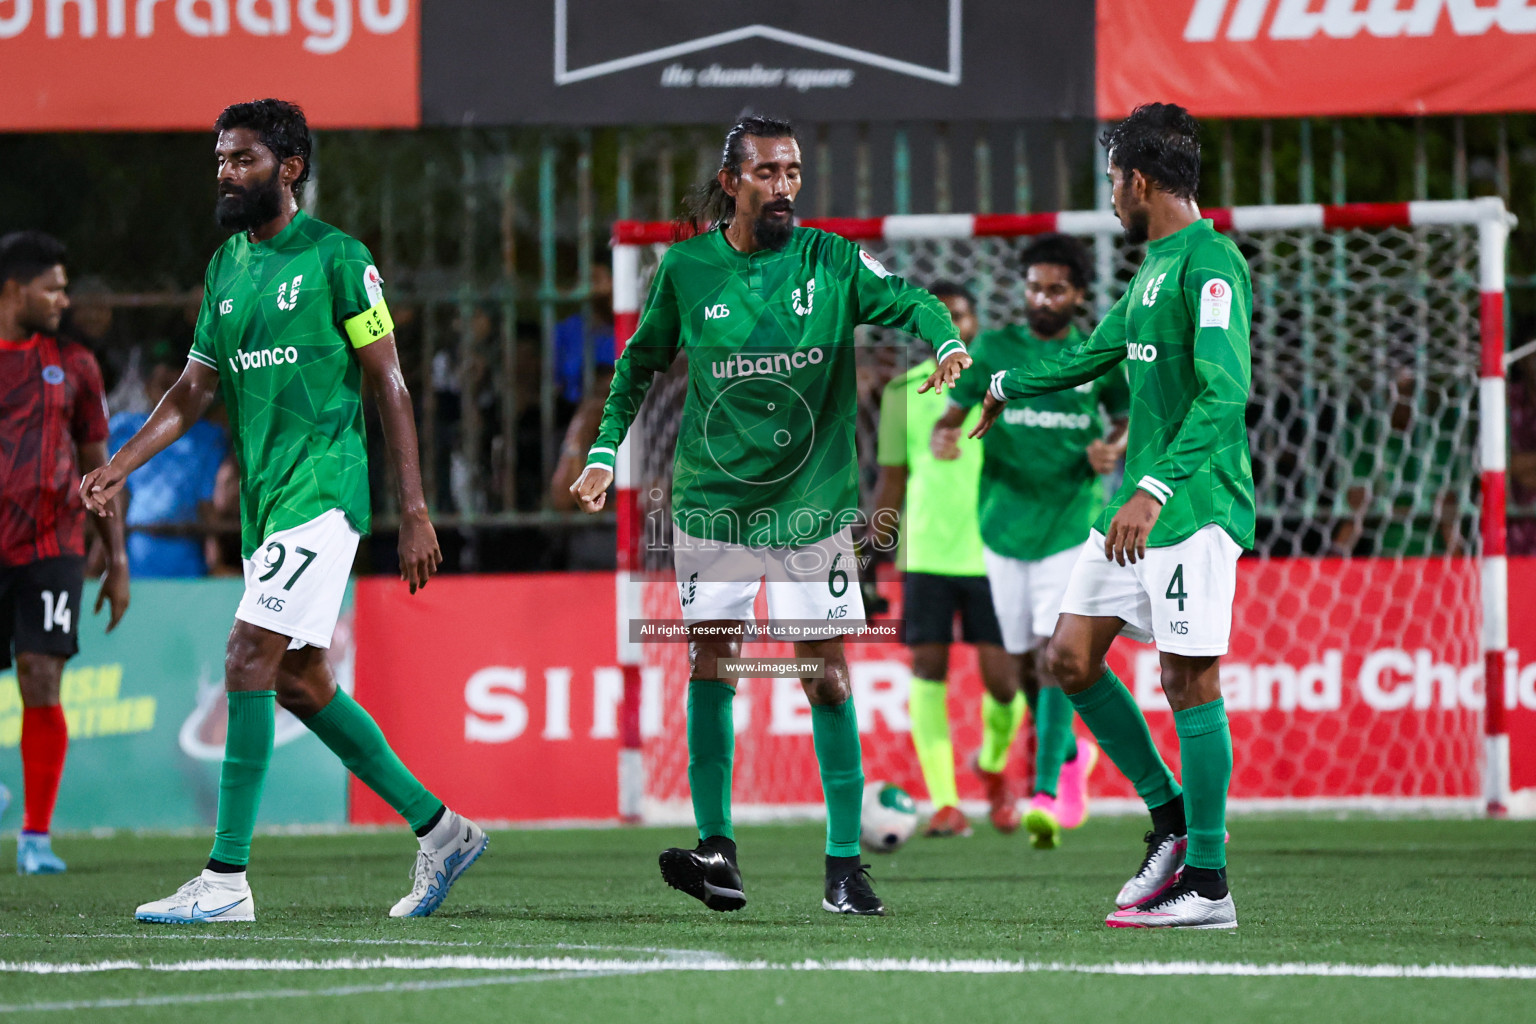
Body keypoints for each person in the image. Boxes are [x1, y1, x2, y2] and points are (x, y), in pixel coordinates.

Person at [82, 99, 485, 924]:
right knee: (300, 678)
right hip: (266, 503)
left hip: (322, 489)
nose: (226, 175)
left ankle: (226, 881)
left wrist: (413, 508)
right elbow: (194, 389)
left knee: (244, 658)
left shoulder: (340, 259)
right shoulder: (226, 267)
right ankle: (442, 832)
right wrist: (119, 466)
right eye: (221, 161)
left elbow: (391, 384)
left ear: (289, 168)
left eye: (243, 160)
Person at [570, 115, 970, 917]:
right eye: (767, 173)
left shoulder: (830, 257)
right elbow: (638, 366)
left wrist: (948, 342)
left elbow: (911, 299)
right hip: (713, 507)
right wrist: (607, 451)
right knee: (711, 668)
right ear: (732, 182)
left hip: (809, 508)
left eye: (792, 172)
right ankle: (717, 849)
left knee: (824, 678)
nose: (784, 186)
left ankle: (845, 868)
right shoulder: (686, 269)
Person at [971, 103, 1252, 929]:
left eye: (1110, 183)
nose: (1110, 199)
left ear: (1137, 179)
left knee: (1187, 678)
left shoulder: (1211, 264)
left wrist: (1153, 487)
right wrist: (1004, 386)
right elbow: (1094, 355)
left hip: (1192, 503)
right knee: (1069, 657)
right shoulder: (1156, 265)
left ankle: (1208, 881)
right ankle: (1168, 818)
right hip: (1142, 506)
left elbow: (1225, 392)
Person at [935, 235, 1129, 851]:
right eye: (1033, 287)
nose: (1041, 299)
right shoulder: (994, 349)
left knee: (1053, 657)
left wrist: (1112, 449)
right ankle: (1071, 757)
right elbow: (956, 408)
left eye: (1054, 289)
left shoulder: (1096, 354)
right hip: (1001, 524)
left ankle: (1044, 791)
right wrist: (945, 431)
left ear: (1077, 294)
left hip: (1069, 524)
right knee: (1021, 666)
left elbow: (1127, 417)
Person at [0, 230, 131, 875]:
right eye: (51, 287)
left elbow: (99, 466)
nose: (63, 297)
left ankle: (34, 836)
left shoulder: (75, 364)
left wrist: (118, 560)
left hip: (53, 543)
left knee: (42, 677)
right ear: (14, 290)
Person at [871, 282, 1020, 838]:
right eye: (943, 320)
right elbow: (891, 482)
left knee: (1004, 683)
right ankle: (946, 803)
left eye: (962, 317)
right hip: (926, 555)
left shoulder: (1003, 391)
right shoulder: (899, 395)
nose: (954, 327)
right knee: (927, 670)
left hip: (994, 552)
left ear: (976, 326)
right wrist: (869, 557)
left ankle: (996, 768)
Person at [108, 344, 229, 577]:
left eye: (177, 380)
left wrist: (215, 558)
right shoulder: (124, 429)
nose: (170, 390)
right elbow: (116, 498)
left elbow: (208, 501)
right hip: (138, 552)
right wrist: (110, 559)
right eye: (162, 383)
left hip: (188, 553)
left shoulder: (207, 436)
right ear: (146, 385)